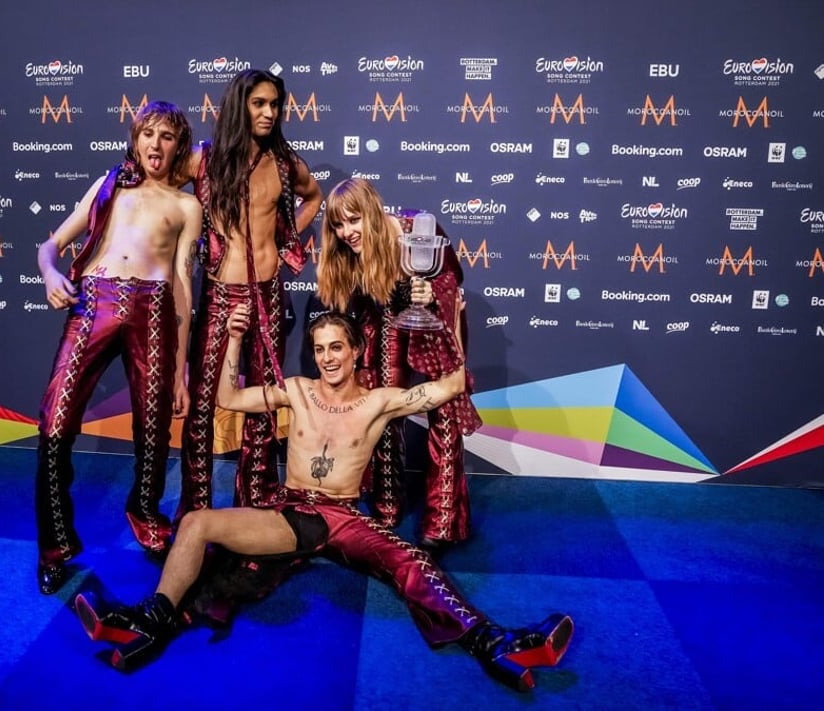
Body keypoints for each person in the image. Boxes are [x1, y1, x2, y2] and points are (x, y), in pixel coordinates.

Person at [74, 306, 573, 693]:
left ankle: (496, 644)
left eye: (337, 347)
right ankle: (148, 621)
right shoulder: (298, 391)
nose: (328, 357)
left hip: (340, 515)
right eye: (319, 349)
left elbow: (450, 385)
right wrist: (233, 339)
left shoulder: (379, 401)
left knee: (410, 560)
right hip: (291, 512)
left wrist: (449, 320)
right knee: (200, 528)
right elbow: (229, 397)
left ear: (356, 351)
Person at [34, 101, 202, 594]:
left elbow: (183, 288)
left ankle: (146, 513)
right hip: (94, 302)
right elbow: (51, 244)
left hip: (153, 311)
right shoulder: (109, 185)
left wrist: (180, 373)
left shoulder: (187, 206)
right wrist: (49, 273)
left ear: (179, 146)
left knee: (153, 429)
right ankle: (54, 546)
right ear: (135, 139)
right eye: (148, 134)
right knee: (55, 423)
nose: (155, 144)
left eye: (167, 136)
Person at [177, 68, 322, 519]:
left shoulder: (283, 161)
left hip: (269, 293)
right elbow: (157, 187)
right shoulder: (203, 159)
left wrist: (285, 245)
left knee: (262, 401)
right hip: (220, 293)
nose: (269, 112)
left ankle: (255, 503)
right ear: (240, 105)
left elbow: (314, 196)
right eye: (259, 103)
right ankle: (194, 510)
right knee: (202, 405)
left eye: (275, 105)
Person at [316, 178, 481, 553]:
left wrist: (424, 291)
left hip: (436, 320)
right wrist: (395, 294)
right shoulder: (345, 250)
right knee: (383, 399)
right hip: (385, 318)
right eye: (339, 225)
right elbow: (359, 299)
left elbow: (452, 280)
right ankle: (385, 504)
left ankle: (443, 519)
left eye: (353, 221)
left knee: (443, 408)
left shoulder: (416, 228)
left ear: (372, 213)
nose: (346, 233)